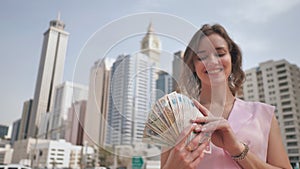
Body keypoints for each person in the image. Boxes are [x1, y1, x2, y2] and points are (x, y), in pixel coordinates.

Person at [161, 24, 292, 169]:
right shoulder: (175, 117)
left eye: (220, 53)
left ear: (232, 58)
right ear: (193, 65)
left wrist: (237, 148)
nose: (212, 61)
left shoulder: (264, 114)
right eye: (202, 57)